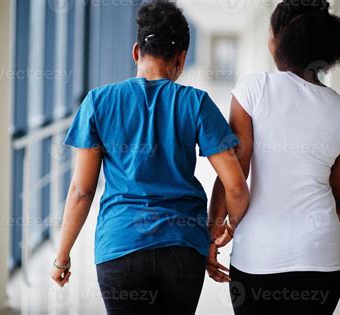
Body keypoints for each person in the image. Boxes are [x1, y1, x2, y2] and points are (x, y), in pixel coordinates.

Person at [50, 2, 249, 314]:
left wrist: (62, 256)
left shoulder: (98, 102)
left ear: (135, 51)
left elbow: (81, 191)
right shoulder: (196, 103)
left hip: (120, 246)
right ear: (181, 58)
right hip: (183, 247)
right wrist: (218, 233)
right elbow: (236, 186)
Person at [207, 0, 340, 314]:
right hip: (322, 260)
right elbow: (339, 197)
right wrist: (319, 246)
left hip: (258, 257)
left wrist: (214, 230)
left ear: (281, 40)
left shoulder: (254, 88)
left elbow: (234, 172)